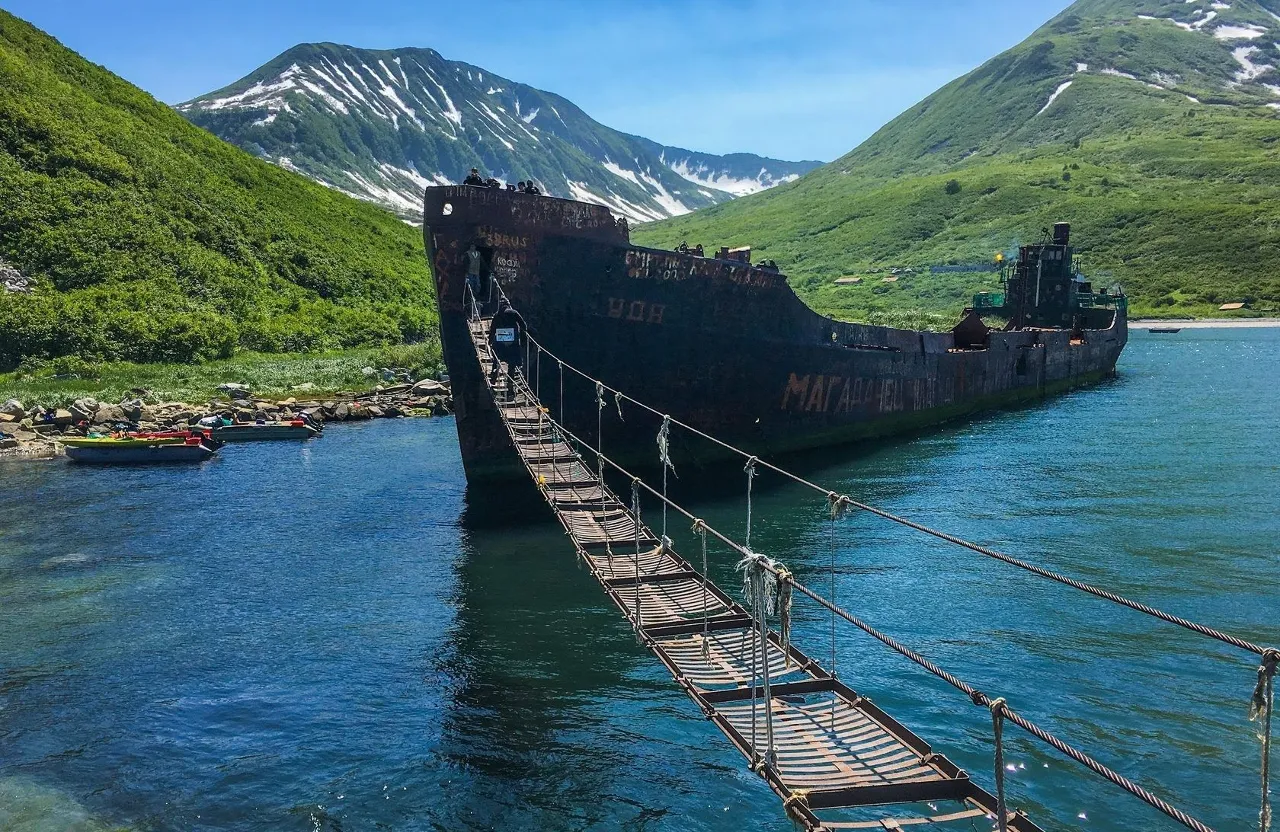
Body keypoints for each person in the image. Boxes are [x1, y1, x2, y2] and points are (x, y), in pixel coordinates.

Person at [488, 298, 527, 400]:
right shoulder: (513, 313)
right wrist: (523, 339)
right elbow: (524, 325)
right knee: (512, 363)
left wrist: (489, 341)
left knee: (497, 358)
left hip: (500, 341)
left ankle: (494, 374)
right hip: (512, 341)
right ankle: (510, 386)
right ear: (508, 305)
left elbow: (492, 330)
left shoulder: (497, 315)